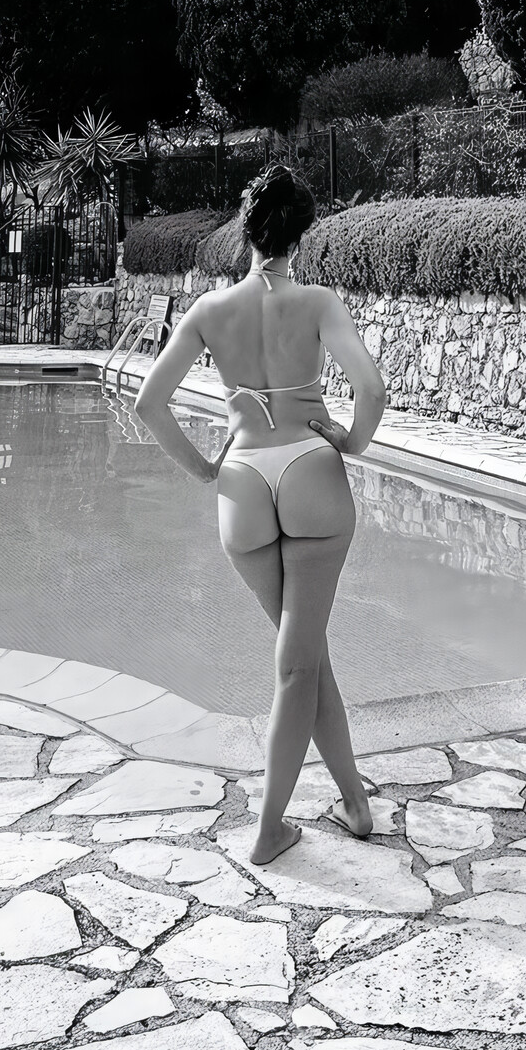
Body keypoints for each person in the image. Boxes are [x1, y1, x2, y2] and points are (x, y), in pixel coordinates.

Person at [132, 165, 386, 864]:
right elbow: (370, 388)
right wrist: (351, 442)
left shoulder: (209, 310)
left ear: (245, 232)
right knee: (298, 664)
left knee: (305, 656)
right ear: (300, 234)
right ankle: (271, 827)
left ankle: (355, 803)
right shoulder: (317, 301)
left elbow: (149, 403)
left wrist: (204, 470)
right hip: (309, 469)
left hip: (241, 480)